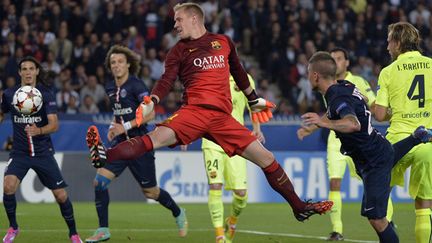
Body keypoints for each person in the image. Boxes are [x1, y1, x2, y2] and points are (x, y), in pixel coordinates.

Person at [86, 2, 333, 224]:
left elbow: (238, 71)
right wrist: (153, 99)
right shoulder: (178, 51)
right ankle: (105, 156)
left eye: (178, 19)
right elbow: (166, 80)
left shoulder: (223, 42)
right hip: (194, 111)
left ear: (194, 18)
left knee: (267, 158)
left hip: (223, 118)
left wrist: (253, 99)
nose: (175, 25)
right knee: (154, 139)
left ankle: (299, 207)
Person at [297, 51, 432, 243]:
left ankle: (417, 137)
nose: (308, 76)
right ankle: (416, 137)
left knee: (377, 219)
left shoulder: (336, 98)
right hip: (378, 150)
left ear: (316, 75)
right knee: (388, 159)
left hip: (373, 161)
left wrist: (324, 123)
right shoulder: (345, 86)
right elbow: (356, 105)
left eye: (309, 73)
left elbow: (353, 124)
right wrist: (317, 123)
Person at [85, 45, 188, 243]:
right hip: (119, 145)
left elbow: (149, 113)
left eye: (120, 62)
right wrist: (113, 127)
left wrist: (124, 127)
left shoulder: (136, 85)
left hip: (140, 143)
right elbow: (118, 113)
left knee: (150, 192)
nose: (116, 65)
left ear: (129, 65)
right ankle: (103, 230)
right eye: (113, 62)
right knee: (99, 183)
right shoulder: (109, 87)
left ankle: (177, 212)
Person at [0, 56, 83, 243]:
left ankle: (73, 233)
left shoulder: (46, 94)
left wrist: (38, 130)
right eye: (24, 69)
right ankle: (13, 227)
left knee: (61, 195)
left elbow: (54, 125)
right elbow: (2, 112)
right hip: (20, 153)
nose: (28, 72)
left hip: (43, 152)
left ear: (37, 71)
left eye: (31, 68)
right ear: (20, 72)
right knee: (8, 186)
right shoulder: (9, 94)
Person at [325, 47, 394, 241]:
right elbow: (330, 114)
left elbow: (373, 104)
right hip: (336, 139)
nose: (335, 62)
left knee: (373, 181)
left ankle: (387, 220)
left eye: (339, 59)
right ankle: (337, 230)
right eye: (332, 59)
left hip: (359, 140)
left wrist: (386, 112)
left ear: (346, 62)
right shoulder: (328, 84)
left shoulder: (358, 82)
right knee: (334, 183)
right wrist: (311, 127)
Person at [374, 22, 432, 243]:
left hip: (398, 141)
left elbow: (379, 115)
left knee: (381, 191)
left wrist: (394, 110)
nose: (387, 45)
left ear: (398, 43)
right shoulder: (431, 65)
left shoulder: (388, 71)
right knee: (424, 205)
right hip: (427, 142)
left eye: (389, 40)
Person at [201, 74, 264, 243]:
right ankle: (220, 235)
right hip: (212, 140)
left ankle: (232, 221)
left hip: (236, 141)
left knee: (241, 195)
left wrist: (257, 128)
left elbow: (253, 104)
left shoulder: (245, 78)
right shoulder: (207, 75)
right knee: (215, 186)